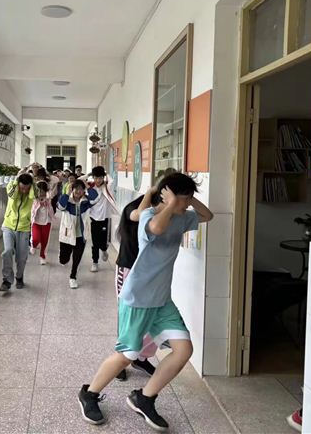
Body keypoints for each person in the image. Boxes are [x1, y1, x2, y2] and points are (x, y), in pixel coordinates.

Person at [78, 173, 214, 429]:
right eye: (185, 198)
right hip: (138, 299)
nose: (187, 204)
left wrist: (187, 199)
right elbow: (158, 229)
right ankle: (89, 394)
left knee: (183, 350)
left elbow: (208, 216)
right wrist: (171, 202)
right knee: (126, 355)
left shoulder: (182, 217)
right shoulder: (149, 216)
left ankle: (144, 397)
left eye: (189, 198)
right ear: (168, 196)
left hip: (162, 300)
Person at [113, 185, 159, 381]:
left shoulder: (160, 212)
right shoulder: (132, 209)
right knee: (126, 316)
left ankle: (140, 358)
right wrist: (150, 192)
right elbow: (140, 215)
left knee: (151, 317)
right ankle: (119, 360)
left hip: (149, 272)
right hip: (128, 269)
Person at [0, 172, 37, 292]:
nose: (24, 191)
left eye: (27, 188)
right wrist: (16, 182)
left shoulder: (33, 190)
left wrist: (32, 183)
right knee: (7, 251)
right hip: (8, 225)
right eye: (22, 188)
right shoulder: (12, 185)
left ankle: (19, 277)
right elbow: (12, 196)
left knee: (21, 257)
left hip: (24, 228)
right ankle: (7, 280)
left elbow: (34, 195)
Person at [57, 179, 98, 289]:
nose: (78, 191)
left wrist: (88, 186)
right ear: (72, 189)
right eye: (76, 189)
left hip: (81, 235)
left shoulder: (86, 201)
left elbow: (95, 198)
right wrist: (67, 193)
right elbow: (60, 206)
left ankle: (73, 277)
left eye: (81, 189)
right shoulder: (67, 200)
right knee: (64, 260)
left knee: (77, 258)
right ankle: (63, 256)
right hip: (67, 235)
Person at [85, 166, 118, 272]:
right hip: (94, 218)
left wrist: (105, 172)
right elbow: (80, 180)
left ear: (103, 177)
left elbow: (111, 179)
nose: (98, 180)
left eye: (100, 178)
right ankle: (95, 262)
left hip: (104, 218)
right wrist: (89, 174)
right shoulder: (90, 188)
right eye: (95, 178)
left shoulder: (107, 187)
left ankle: (104, 250)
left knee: (103, 241)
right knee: (95, 242)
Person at [30, 181, 55, 265]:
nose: (41, 193)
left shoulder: (48, 199)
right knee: (36, 238)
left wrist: (46, 199)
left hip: (47, 222)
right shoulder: (34, 199)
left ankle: (42, 256)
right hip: (36, 222)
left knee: (45, 241)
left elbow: (51, 193)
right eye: (39, 191)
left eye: (43, 191)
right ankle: (33, 245)